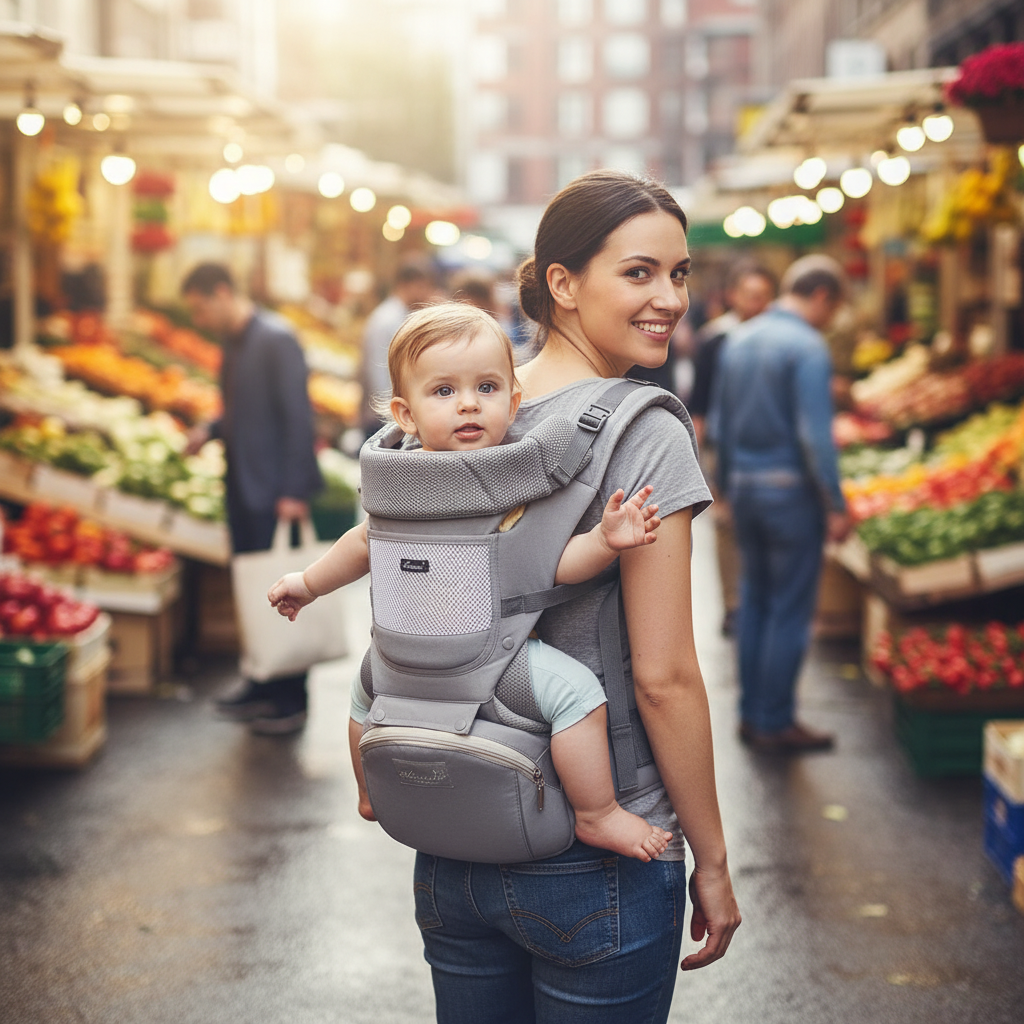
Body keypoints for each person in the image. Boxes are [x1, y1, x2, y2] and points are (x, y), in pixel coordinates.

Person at [359, 171, 740, 1023]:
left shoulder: (454, 408)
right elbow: (664, 676)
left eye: (679, 274)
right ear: (561, 284)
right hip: (593, 851)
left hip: (454, 825)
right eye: (639, 273)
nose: (669, 299)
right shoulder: (644, 430)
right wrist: (710, 860)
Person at [269, 301, 674, 863]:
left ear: (513, 402)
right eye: (443, 392)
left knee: (369, 703)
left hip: (475, 659)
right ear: (404, 416)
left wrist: (604, 541)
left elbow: (548, 562)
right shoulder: (402, 483)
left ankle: (593, 813)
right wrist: (307, 583)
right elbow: (364, 543)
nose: (467, 403)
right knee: (577, 696)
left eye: (486, 387)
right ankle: (376, 791)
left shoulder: (506, 481)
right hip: (442, 660)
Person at [709, 254, 852, 755]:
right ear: (821, 296)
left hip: (745, 489)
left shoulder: (741, 337)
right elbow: (816, 436)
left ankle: (753, 714)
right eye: (834, 308)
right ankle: (775, 719)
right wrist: (835, 503)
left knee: (756, 601)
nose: (831, 319)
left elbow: (721, 426)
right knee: (790, 609)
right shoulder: (808, 346)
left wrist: (723, 488)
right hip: (790, 493)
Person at [181, 262, 322, 735]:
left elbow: (299, 417)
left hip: (272, 491)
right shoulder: (235, 344)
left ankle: (289, 700)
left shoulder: (276, 339)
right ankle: (260, 682)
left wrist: (294, 489)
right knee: (252, 589)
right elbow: (243, 411)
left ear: (222, 292)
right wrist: (210, 430)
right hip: (242, 487)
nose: (200, 319)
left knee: (282, 592)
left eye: (201, 308)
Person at [688, 264, 777, 635]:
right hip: (724, 447)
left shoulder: (778, 340)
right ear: (734, 296)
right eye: (749, 295)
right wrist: (700, 458)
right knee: (727, 525)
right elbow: (701, 401)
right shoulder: (714, 339)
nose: (755, 303)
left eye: (763, 297)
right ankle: (734, 605)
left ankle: (760, 597)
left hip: (767, 449)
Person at [360, 257, 436, 437]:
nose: (426, 293)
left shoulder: (400, 316)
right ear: (409, 285)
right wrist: (392, 413)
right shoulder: (387, 321)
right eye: (423, 287)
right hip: (385, 417)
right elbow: (378, 373)